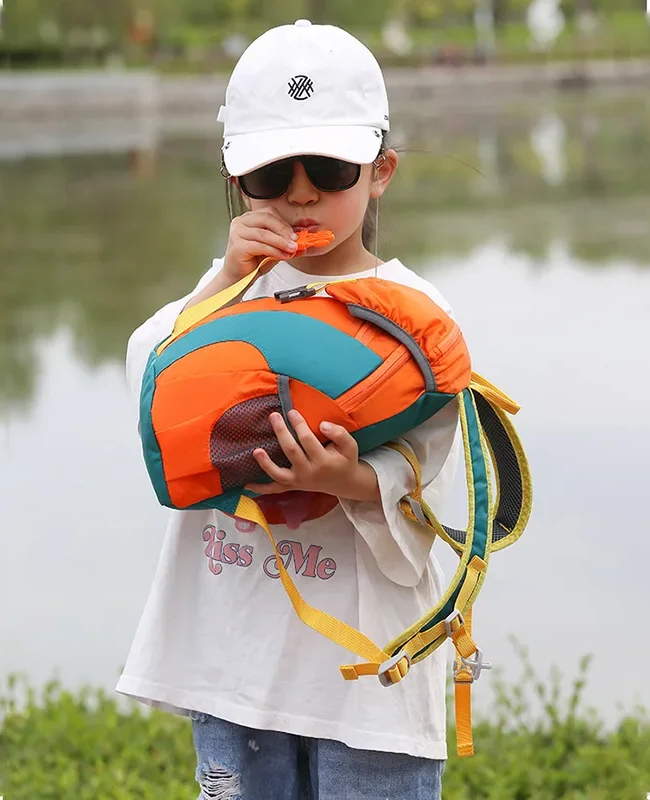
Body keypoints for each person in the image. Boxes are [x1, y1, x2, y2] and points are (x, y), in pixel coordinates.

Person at [117, 19, 464, 800]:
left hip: (368, 678)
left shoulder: (413, 314)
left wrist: (351, 479)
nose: (302, 191)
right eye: (274, 173)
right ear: (237, 182)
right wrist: (225, 285)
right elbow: (149, 387)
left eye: (330, 167)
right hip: (234, 666)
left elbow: (443, 478)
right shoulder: (223, 298)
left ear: (380, 172)